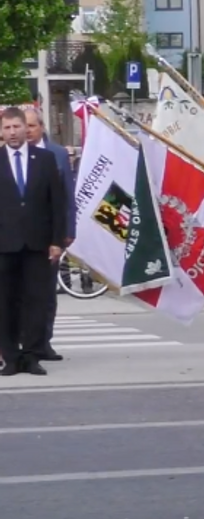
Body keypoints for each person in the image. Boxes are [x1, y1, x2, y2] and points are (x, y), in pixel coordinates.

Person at [0, 107, 66, 376]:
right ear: (2, 131)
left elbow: (57, 203)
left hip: (38, 244)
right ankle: (11, 357)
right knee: (5, 302)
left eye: (17, 127)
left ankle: (31, 356)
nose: (13, 132)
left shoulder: (45, 159)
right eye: (7, 128)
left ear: (26, 130)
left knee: (36, 301)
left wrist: (56, 241)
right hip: (4, 244)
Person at [24, 108, 74, 362]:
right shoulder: (14, 155)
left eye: (32, 126)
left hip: (50, 235)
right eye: (25, 126)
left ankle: (44, 342)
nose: (28, 130)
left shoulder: (57, 154)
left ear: (41, 127)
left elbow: (67, 195)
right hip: (21, 235)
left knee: (46, 293)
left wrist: (68, 231)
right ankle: (25, 342)